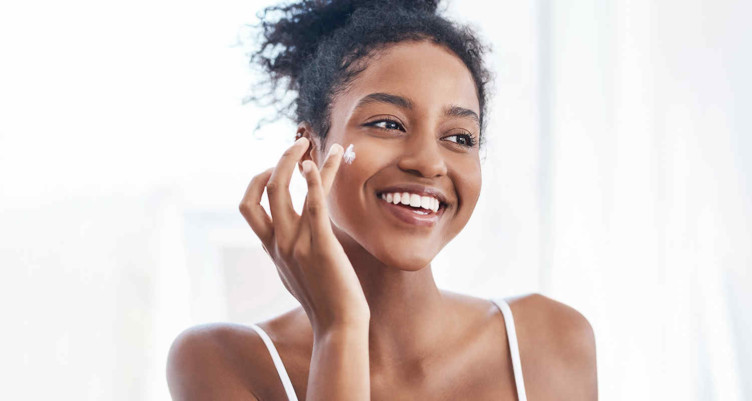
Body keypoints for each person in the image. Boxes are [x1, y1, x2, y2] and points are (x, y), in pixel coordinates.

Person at [166, 0, 597, 399]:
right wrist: (341, 330)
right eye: (388, 124)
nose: (429, 163)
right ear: (309, 148)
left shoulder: (549, 340)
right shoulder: (221, 360)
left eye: (459, 137)